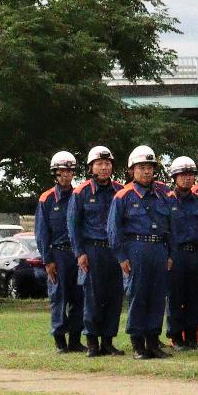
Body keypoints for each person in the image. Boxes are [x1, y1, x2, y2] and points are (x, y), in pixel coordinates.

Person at [112, 146, 173, 359]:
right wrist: (121, 258)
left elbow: (171, 227)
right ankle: (138, 343)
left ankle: (153, 341)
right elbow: (113, 230)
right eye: (142, 167)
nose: (147, 172)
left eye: (150, 167)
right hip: (136, 248)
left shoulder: (164, 194)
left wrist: (170, 254)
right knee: (138, 295)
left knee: (157, 296)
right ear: (132, 170)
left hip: (159, 248)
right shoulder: (123, 196)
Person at [68, 145, 125, 357]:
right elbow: (73, 225)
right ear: (91, 167)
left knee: (114, 296)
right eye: (99, 164)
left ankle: (108, 341)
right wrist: (79, 253)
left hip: (115, 251)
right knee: (93, 296)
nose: (104, 168)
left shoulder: (120, 191)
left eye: (107, 164)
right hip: (93, 250)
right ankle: (92, 341)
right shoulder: (81, 192)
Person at [35, 151, 83, 353]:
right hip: (58, 255)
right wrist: (48, 260)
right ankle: (60, 341)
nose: (66, 175)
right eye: (62, 171)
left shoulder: (80, 195)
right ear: (55, 173)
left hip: (77, 254)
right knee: (58, 298)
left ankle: (75, 340)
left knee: (79, 298)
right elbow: (41, 232)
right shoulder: (46, 199)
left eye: (70, 171)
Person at [164, 155, 198, 349]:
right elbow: (164, 231)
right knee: (175, 297)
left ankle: (192, 336)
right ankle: (176, 337)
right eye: (182, 175)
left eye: (190, 174)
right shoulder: (166, 201)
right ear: (174, 177)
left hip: (197, 254)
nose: (187, 178)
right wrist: (168, 256)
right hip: (176, 255)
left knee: (196, 296)